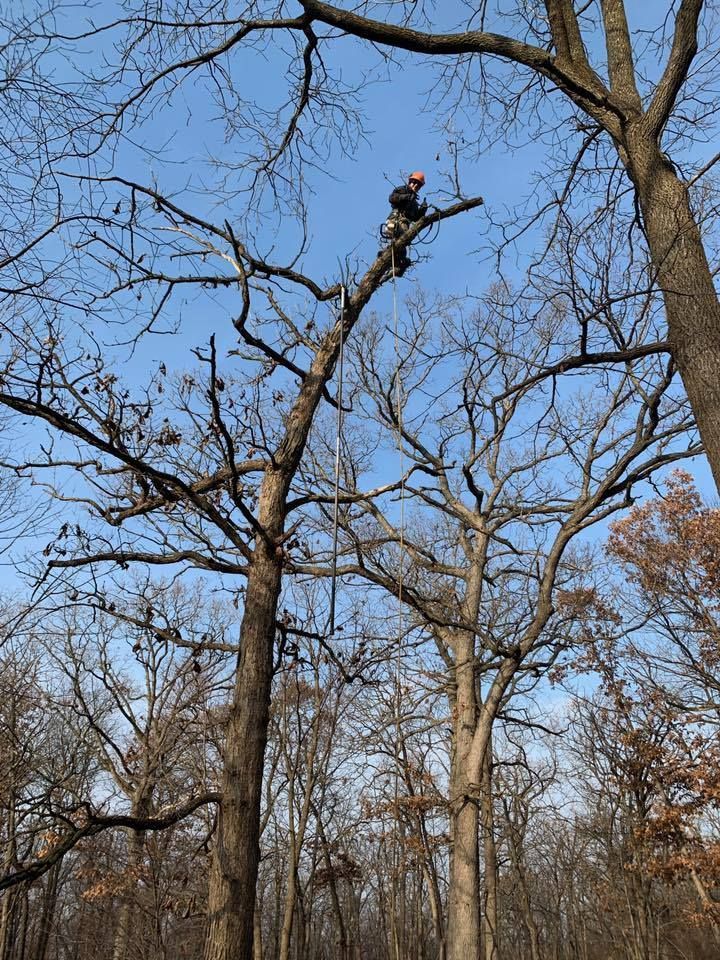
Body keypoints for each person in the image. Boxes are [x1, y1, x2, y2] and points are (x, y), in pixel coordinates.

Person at [382, 171, 427, 273]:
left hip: (405, 224)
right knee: (403, 239)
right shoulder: (402, 190)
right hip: (396, 220)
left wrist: (423, 210)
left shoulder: (414, 203)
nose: (415, 186)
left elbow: (415, 218)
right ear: (410, 182)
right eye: (414, 183)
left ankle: (394, 261)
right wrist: (406, 197)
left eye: (418, 185)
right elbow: (392, 198)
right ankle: (393, 259)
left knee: (402, 244)